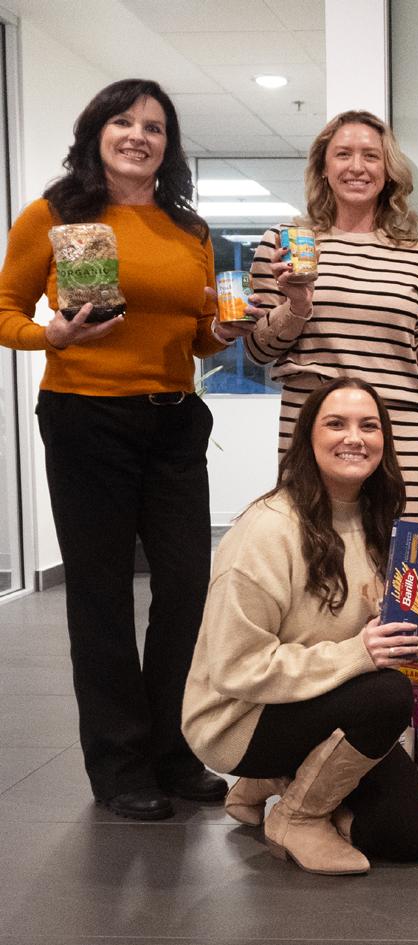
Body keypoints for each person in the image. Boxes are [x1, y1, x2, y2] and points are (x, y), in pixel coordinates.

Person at [0, 78, 250, 820]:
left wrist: (223, 331)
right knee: (101, 592)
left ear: (168, 146)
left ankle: (174, 751)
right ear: (97, 132)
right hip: (86, 417)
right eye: (123, 122)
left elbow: (197, 333)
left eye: (154, 127)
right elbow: (5, 309)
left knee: (185, 587)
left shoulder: (188, 229)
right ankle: (119, 764)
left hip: (174, 419)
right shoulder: (54, 214)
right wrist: (51, 334)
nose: (139, 135)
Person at [182, 377, 418, 875]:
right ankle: (297, 816)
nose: (354, 437)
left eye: (369, 426)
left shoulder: (376, 521)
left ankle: (276, 781)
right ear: (308, 439)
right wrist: (359, 653)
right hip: (239, 719)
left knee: (406, 835)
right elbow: (235, 668)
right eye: (336, 424)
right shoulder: (266, 532)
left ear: (384, 441)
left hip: (322, 698)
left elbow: (401, 628)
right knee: (388, 693)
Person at [243, 109, 418, 523]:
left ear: (388, 170)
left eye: (371, 156)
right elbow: (258, 351)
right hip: (312, 424)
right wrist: (296, 307)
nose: (357, 167)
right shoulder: (287, 244)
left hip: (396, 430)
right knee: (312, 549)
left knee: (406, 553)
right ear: (323, 167)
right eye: (343, 154)